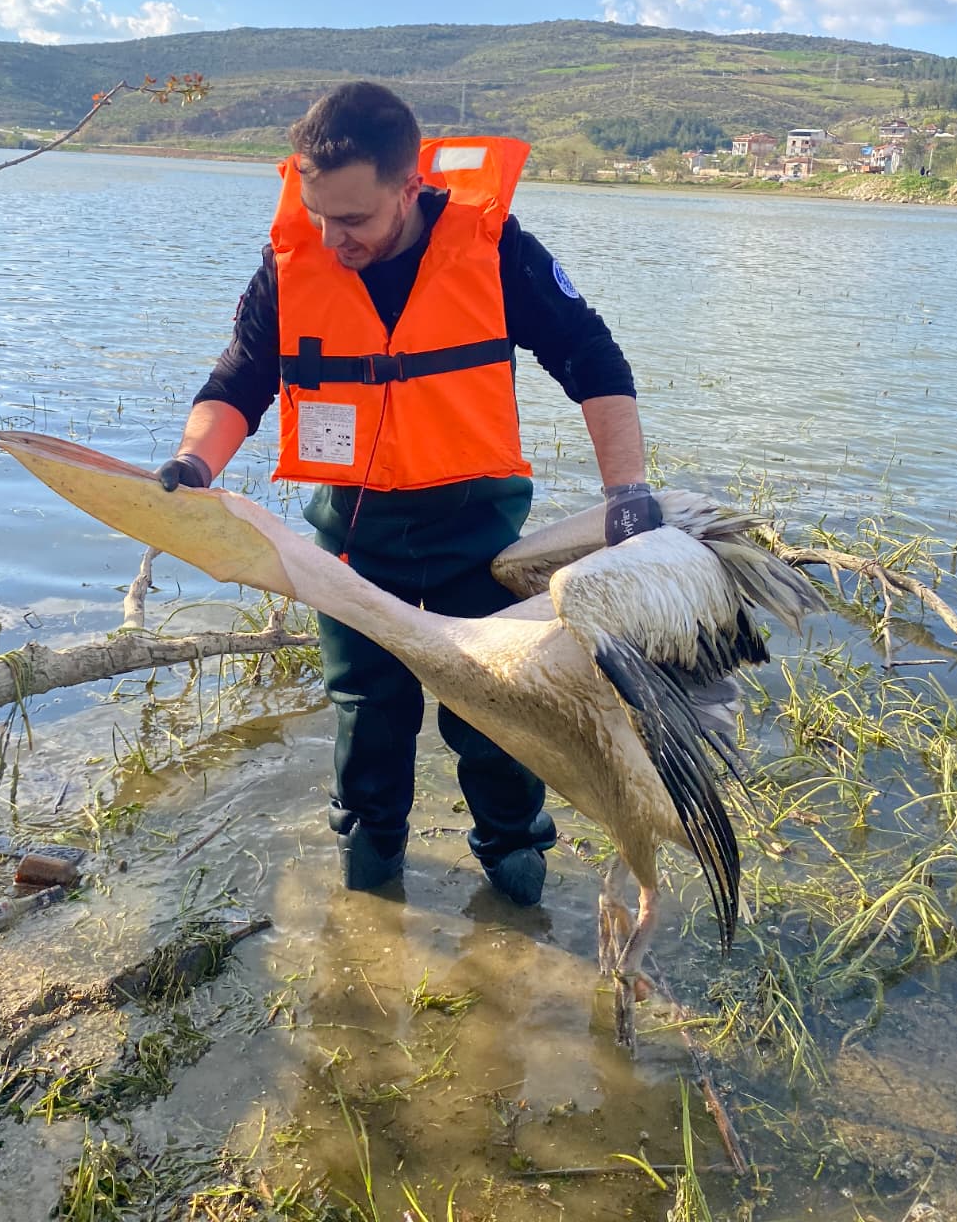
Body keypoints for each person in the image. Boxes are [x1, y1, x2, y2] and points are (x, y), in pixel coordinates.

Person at [156, 81, 660, 906]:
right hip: (355, 543)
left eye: (353, 220)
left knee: (499, 728)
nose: (333, 238)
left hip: (480, 537)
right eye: (320, 215)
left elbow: (593, 360)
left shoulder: (494, 249)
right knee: (367, 723)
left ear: (410, 186)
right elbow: (239, 381)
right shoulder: (293, 262)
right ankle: (369, 896)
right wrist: (193, 463)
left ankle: (516, 876)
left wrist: (627, 493)